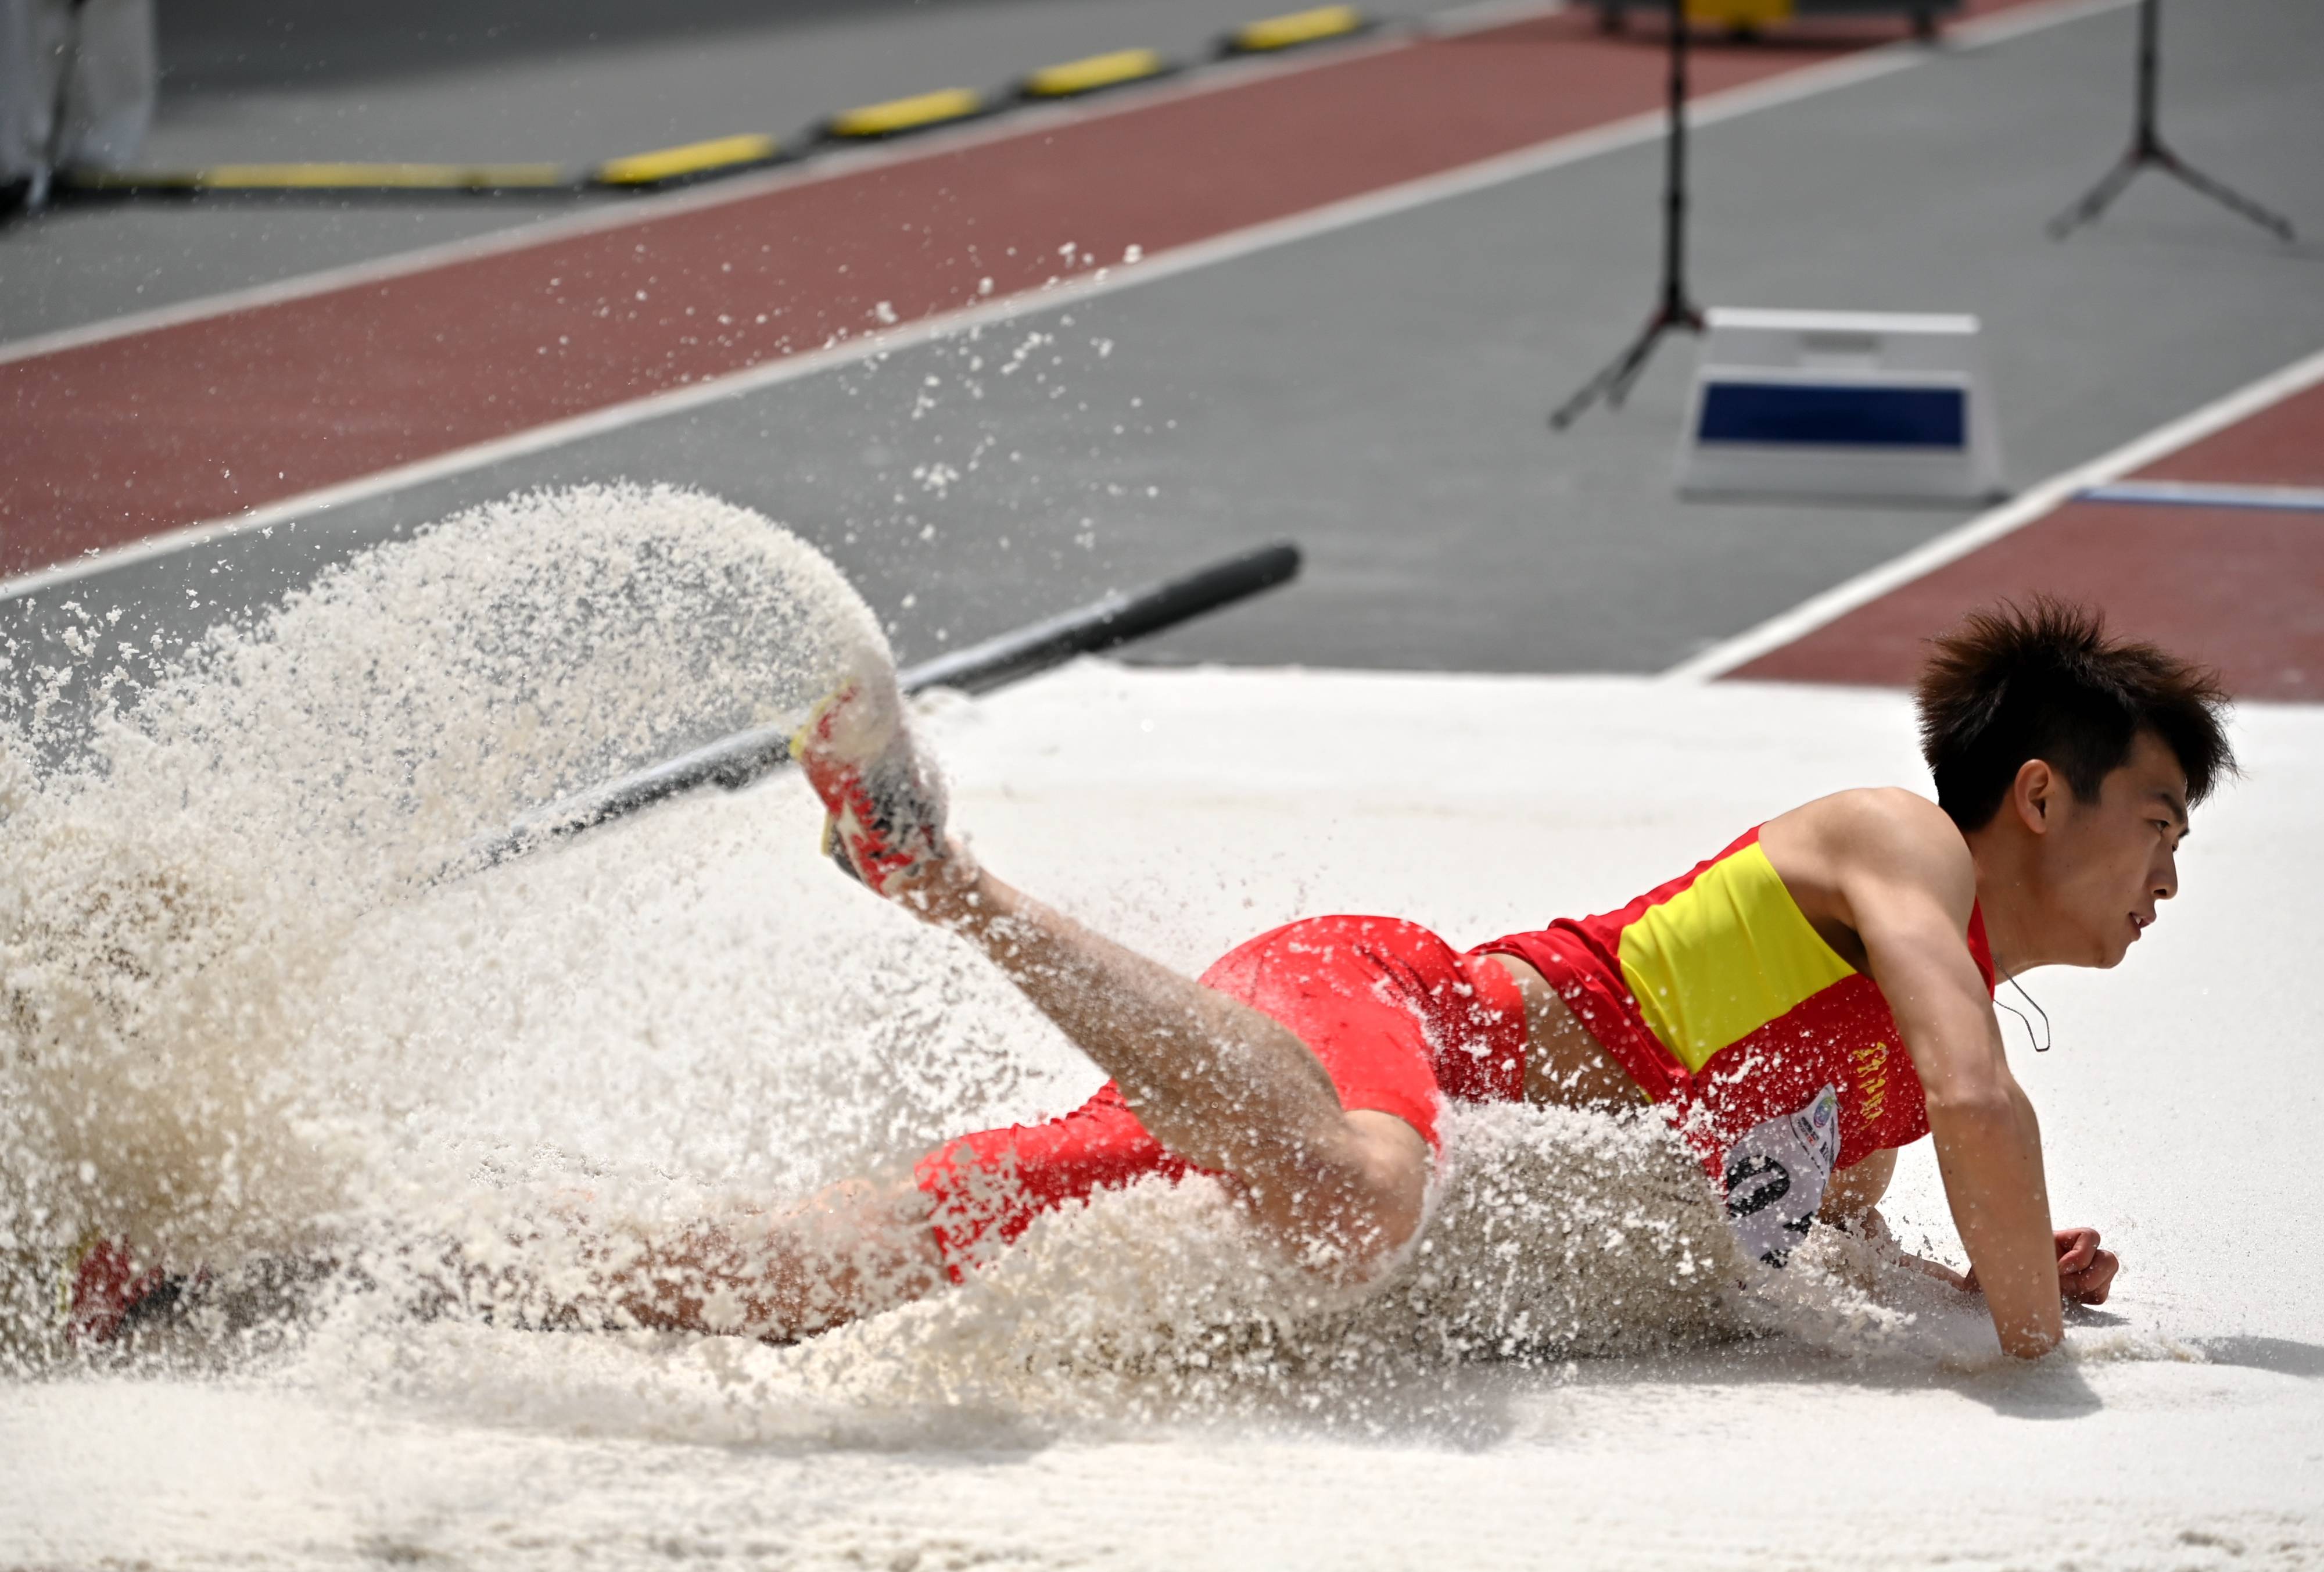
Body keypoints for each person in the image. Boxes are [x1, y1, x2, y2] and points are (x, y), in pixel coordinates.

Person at [66, 599, 2228, 1358]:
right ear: (2035, 797)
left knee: (787, 1271)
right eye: (2155, 820)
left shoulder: (1889, 1054)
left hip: (1286, 1105)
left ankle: (216, 1263)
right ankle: (953, 881)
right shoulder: (1889, 846)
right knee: (1369, 1199)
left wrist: (1960, 1280)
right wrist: (2024, 1341)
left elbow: (1818, 1221)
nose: (2165, 877)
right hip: (1375, 1017)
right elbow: (1974, 1095)